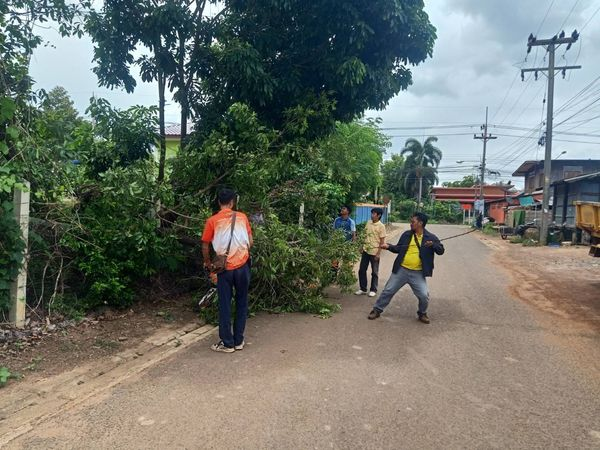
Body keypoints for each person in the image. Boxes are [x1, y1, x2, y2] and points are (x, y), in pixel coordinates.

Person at [368, 212, 444, 324]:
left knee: (424, 295)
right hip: (401, 270)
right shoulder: (407, 235)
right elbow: (398, 248)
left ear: (420, 223)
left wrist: (433, 245)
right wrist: (388, 246)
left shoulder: (431, 237)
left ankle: (422, 313)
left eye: (413, 222)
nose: (410, 223)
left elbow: (441, 251)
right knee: (388, 290)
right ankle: (377, 309)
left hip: (418, 273)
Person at [202, 188, 253, 353]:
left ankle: (227, 343)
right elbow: (250, 242)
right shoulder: (243, 217)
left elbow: (205, 244)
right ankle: (239, 340)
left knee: (224, 305)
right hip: (243, 266)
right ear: (232, 202)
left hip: (224, 269)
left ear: (219, 202)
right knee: (242, 302)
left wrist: (209, 263)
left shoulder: (212, 221)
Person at [355, 208, 386, 297]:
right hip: (366, 250)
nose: (372, 215)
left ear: (379, 215)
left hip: (374, 252)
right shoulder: (368, 222)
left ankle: (373, 289)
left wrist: (378, 253)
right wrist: (361, 246)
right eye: (372, 213)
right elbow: (365, 235)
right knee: (361, 270)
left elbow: (382, 241)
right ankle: (363, 288)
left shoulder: (381, 226)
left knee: (374, 272)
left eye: (374, 213)